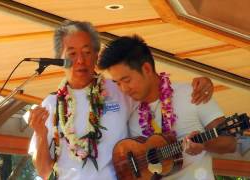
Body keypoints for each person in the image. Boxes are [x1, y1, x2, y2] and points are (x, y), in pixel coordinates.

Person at [26, 20, 214, 180]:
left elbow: (155, 87)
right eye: (72, 54)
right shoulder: (52, 105)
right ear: (59, 58)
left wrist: (202, 83)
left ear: (96, 55)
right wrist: (41, 134)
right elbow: (44, 171)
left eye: (87, 52)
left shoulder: (119, 89)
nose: (81, 60)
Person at [98, 35, 237, 180]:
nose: (124, 89)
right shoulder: (129, 111)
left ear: (146, 68)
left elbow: (230, 143)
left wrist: (203, 145)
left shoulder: (193, 94)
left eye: (127, 80)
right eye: (118, 83)